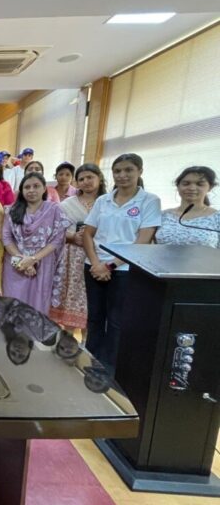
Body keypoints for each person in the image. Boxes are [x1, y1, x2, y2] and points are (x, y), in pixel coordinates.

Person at [83, 153, 161, 373]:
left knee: (117, 321)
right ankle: (89, 363)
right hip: (94, 266)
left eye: (128, 170)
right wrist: (96, 263)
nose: (122, 175)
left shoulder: (149, 201)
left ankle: (110, 369)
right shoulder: (103, 200)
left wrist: (110, 266)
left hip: (125, 269)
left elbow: (143, 239)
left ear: (139, 171)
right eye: (117, 171)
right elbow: (88, 233)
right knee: (95, 318)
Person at [1, 172, 70, 314]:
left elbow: (57, 239)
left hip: (42, 263)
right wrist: (23, 260)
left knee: (37, 305)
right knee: (14, 304)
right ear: (21, 190)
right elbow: (6, 238)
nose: (31, 190)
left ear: (44, 188)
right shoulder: (12, 210)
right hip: (16, 263)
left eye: (36, 186)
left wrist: (33, 259)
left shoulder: (54, 210)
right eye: (27, 187)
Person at [50, 164, 106, 332]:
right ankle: (69, 338)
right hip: (73, 257)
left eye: (90, 177)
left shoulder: (108, 202)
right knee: (73, 297)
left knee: (95, 300)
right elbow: (55, 231)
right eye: (81, 179)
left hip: (101, 257)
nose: (86, 182)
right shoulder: (67, 204)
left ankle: (90, 340)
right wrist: (73, 236)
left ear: (99, 178)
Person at [155, 166, 219, 248]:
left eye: (199, 184)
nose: (192, 188)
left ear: (210, 187)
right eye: (186, 184)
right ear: (178, 186)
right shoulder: (163, 215)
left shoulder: (217, 217)